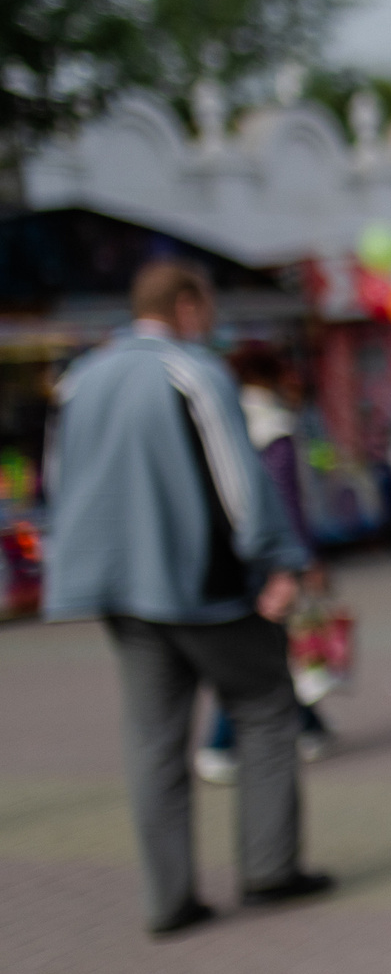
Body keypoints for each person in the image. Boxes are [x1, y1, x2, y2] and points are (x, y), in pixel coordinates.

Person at [42, 261, 334, 936]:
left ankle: (167, 899)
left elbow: (62, 484)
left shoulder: (80, 379)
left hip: (118, 588)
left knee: (153, 738)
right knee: (264, 704)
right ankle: (270, 868)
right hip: (199, 582)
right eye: (205, 305)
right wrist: (277, 559)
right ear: (186, 304)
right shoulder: (192, 372)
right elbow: (240, 480)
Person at [196, 345, 331, 780]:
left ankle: (311, 726)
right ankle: (220, 743)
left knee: (266, 646)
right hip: (271, 558)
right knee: (260, 649)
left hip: (227, 554)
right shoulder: (275, 428)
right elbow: (286, 503)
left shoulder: (221, 422)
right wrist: (301, 559)